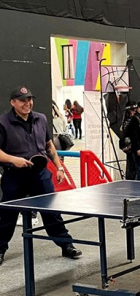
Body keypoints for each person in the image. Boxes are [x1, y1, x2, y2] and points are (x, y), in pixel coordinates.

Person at [0, 87, 82, 266]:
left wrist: (59, 167)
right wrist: (14, 160)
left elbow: (49, 146)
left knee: (52, 212)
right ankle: (0, 248)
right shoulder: (3, 123)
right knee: (7, 215)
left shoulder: (41, 119)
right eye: (22, 100)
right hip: (15, 176)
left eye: (29, 99)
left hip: (40, 174)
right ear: (13, 102)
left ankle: (66, 245)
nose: (27, 103)